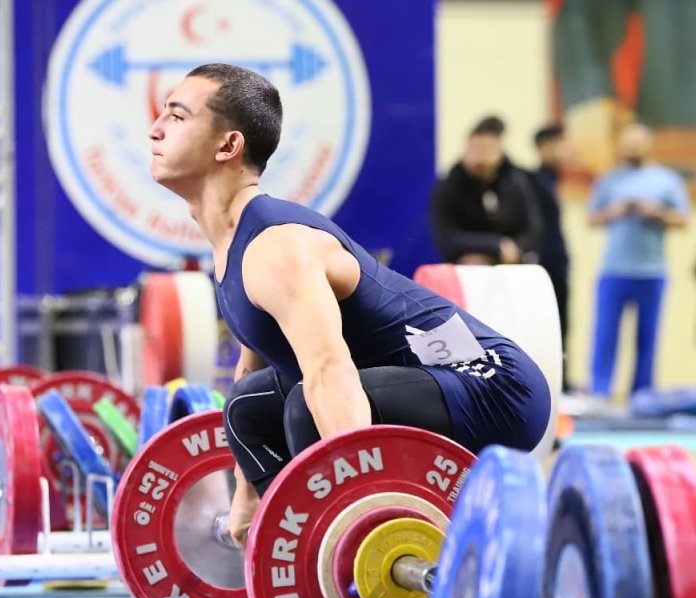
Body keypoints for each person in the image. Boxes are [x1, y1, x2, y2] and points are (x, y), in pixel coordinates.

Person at [147, 64, 552, 546]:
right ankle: (295, 546)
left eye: (176, 115)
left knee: (306, 407)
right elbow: (252, 367)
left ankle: (358, 541)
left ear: (228, 146)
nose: (155, 128)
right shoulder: (231, 244)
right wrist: (245, 495)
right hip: (417, 381)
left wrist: (365, 522)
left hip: (494, 386)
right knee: (246, 406)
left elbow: (328, 372)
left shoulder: (277, 246)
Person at [586, 123, 690, 399]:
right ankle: (600, 390)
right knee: (605, 335)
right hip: (613, 270)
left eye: (638, 142)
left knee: (647, 337)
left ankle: (642, 393)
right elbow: (591, 218)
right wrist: (614, 211)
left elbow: (682, 220)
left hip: (651, 271)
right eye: (627, 142)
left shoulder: (666, 180)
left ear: (648, 144)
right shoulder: (609, 180)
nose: (632, 148)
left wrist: (656, 212)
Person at [429, 116, 545, 266]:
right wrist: (495, 246)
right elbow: (445, 236)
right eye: (474, 149)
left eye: (487, 149)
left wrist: (517, 247)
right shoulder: (448, 186)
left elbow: (534, 227)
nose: (479, 157)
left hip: (512, 264)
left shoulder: (515, 181)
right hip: (467, 267)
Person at [530, 124, 573, 391]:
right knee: (551, 328)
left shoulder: (554, 180)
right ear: (543, 147)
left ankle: (563, 380)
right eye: (560, 144)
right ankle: (553, 382)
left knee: (565, 327)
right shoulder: (534, 181)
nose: (565, 151)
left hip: (559, 263)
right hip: (545, 265)